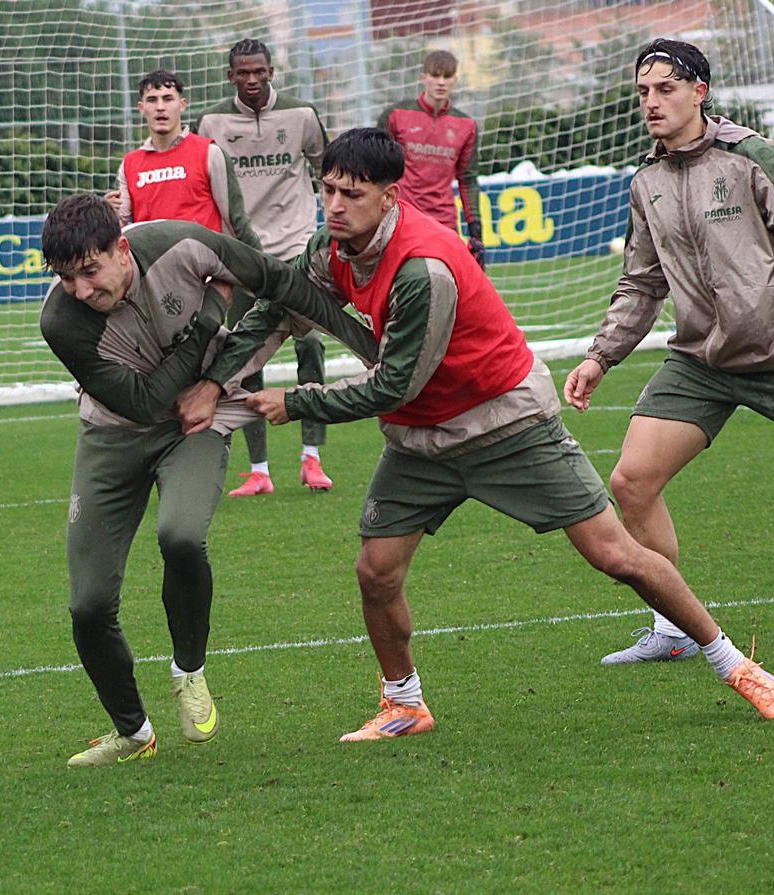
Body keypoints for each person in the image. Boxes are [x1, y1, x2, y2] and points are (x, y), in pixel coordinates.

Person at [178, 127, 774, 740]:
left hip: (504, 423)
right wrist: (216, 383)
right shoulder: (327, 247)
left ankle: (739, 667)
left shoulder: (423, 267)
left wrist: (294, 402)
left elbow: (395, 387)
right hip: (421, 441)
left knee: (614, 555)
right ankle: (404, 705)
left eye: (351, 194)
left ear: (389, 196)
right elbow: (276, 309)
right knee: (375, 572)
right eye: (327, 190)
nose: (334, 205)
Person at [39, 194, 325, 766]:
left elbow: (274, 278)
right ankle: (133, 733)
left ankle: (188, 672)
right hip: (115, 433)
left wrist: (372, 346)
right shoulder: (60, 322)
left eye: (90, 272)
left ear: (122, 249)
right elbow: (145, 403)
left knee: (181, 536)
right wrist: (209, 320)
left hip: (195, 425)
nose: (80, 290)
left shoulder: (179, 243)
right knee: (88, 605)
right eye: (66, 278)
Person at [564, 39, 774, 665]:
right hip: (701, 362)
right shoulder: (646, 181)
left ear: (699, 92)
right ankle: (674, 628)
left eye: (665, 89)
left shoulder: (751, 158)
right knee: (631, 482)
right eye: (643, 93)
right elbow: (643, 281)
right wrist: (601, 356)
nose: (651, 103)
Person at [196, 37, 334, 496]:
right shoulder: (212, 121)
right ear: (230, 75)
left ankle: (312, 458)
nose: (252, 80)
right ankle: (259, 470)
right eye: (243, 73)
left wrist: (325, 227)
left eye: (260, 71)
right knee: (244, 355)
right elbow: (201, 180)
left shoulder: (301, 115)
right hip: (241, 257)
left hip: (296, 249)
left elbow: (328, 171)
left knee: (309, 345)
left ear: (272, 71)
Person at [106, 69, 262, 251]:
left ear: (182, 105)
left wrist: (263, 269)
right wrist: (108, 213)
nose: (160, 107)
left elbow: (237, 221)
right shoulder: (129, 165)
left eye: (168, 99)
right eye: (152, 100)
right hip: (154, 270)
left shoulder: (210, 153)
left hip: (204, 272)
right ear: (141, 108)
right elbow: (121, 226)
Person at [377, 50, 485, 268]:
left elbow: (468, 180)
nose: (441, 82)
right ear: (423, 78)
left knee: (452, 286)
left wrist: (476, 231)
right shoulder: (395, 115)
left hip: (443, 222)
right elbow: (377, 170)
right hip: (401, 218)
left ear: (455, 80)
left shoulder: (466, 125)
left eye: (447, 76)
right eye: (435, 76)